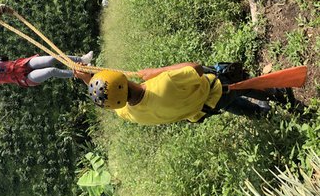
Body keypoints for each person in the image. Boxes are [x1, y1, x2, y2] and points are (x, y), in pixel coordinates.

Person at [74, 62, 290, 125]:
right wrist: (155, 72)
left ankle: (260, 114)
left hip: (202, 110)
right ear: (122, 78)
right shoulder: (163, 82)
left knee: (226, 104)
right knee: (240, 85)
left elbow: (110, 96)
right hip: (216, 89)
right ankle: (281, 97)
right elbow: (195, 68)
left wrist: (86, 79)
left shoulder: (127, 113)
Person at [0, 51, 93, 90]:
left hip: (23, 64)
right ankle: (80, 74)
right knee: (51, 70)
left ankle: (81, 59)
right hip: (25, 79)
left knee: (52, 59)